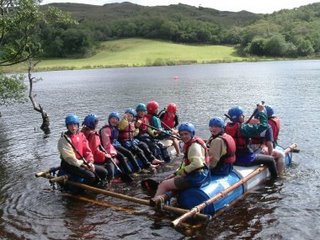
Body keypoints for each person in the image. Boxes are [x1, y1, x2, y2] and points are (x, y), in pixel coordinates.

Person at [150, 122, 210, 205]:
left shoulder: (194, 147)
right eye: (181, 135)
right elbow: (187, 164)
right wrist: (176, 173)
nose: (184, 136)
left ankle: (156, 205)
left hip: (195, 178)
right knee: (169, 179)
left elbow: (197, 164)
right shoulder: (194, 143)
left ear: (192, 133)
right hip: (200, 175)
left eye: (186, 134)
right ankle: (166, 202)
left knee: (163, 185)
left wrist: (182, 172)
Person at [225, 105, 278, 178]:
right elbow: (264, 125)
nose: (243, 116)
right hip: (245, 159)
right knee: (271, 160)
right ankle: (275, 181)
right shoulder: (244, 128)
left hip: (233, 159)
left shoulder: (225, 128)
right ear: (240, 117)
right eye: (242, 115)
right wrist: (262, 112)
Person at [58, 113, 108, 186]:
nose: (73, 127)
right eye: (70, 125)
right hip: (70, 164)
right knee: (91, 176)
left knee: (104, 172)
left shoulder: (81, 135)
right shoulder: (64, 139)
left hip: (82, 162)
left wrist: (90, 162)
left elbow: (87, 151)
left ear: (78, 125)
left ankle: (96, 187)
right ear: (67, 126)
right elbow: (70, 158)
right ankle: (80, 191)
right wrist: (84, 165)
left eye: (75, 125)